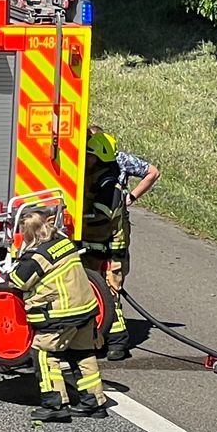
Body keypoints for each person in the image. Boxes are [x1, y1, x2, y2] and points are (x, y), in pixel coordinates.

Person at [7, 199, 108, 422]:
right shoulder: (65, 243)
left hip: (59, 315)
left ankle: (55, 404)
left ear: (29, 233)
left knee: (44, 354)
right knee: (82, 355)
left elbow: (17, 282)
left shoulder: (37, 257)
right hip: (85, 310)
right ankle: (94, 403)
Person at [82, 126, 159, 362]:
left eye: (89, 155)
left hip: (109, 248)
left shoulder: (108, 187)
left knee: (109, 292)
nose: (86, 159)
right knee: (93, 291)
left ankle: (117, 342)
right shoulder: (101, 176)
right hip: (96, 246)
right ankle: (98, 339)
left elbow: (100, 217)